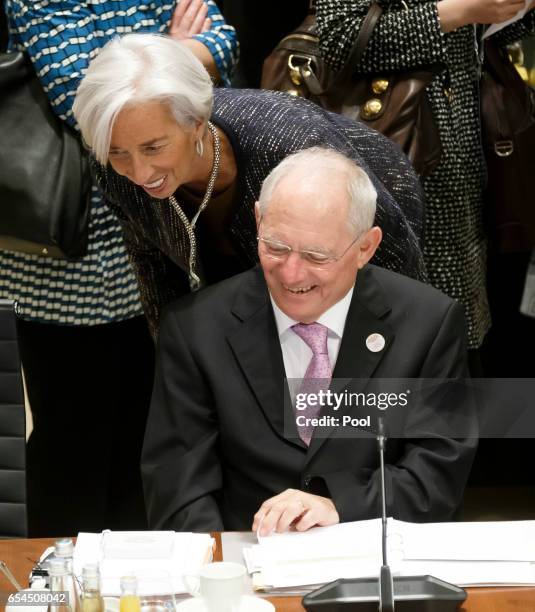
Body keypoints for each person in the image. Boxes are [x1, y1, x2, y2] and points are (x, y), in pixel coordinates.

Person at [141, 147, 477, 533]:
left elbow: (438, 472)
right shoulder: (195, 328)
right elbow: (178, 488)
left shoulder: (428, 323)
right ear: (257, 220)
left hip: (371, 555)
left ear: (366, 247)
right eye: (276, 247)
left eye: (317, 256)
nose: (291, 274)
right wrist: (227, 577)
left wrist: (341, 506)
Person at [1, 0, 237, 536]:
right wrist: (170, 55)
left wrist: (149, 70)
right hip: (62, 266)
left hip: (155, 250)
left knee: (148, 437)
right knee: (73, 440)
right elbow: (82, 98)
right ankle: (59, 584)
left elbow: (226, 42)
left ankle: (139, 579)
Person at [74, 32, 427, 339]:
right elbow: (156, 275)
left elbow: (396, 268)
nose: (138, 171)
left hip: (369, 233)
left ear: (197, 124)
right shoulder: (111, 161)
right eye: (118, 152)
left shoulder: (290, 145)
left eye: (153, 147)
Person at [316, 0, 535, 360]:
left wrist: (507, 10)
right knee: (389, 341)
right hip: (391, 151)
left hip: (459, 155)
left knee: (452, 342)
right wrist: (460, 12)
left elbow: (477, 36)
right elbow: (340, 39)